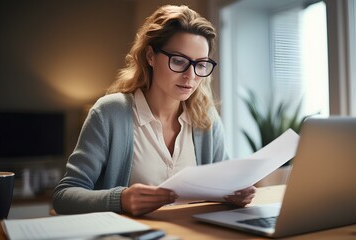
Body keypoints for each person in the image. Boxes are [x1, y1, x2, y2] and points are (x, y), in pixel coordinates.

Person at [53, 5, 256, 216]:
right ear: (151, 56)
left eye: (201, 64)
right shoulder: (110, 113)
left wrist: (235, 193)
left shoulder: (206, 118)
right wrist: (121, 199)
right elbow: (64, 196)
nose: (191, 75)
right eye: (178, 61)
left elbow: (225, 184)